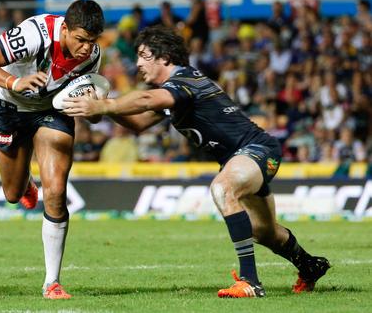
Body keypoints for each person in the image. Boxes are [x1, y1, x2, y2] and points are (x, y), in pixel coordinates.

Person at [63, 25, 330, 298]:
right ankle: (310, 265)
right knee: (265, 232)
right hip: (242, 159)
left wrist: (106, 106)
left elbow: (144, 99)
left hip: (257, 149)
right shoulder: (174, 92)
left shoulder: (185, 80)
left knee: (223, 189)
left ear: (164, 57)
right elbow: (139, 122)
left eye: (144, 55)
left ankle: (250, 281)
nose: (139, 63)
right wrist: (103, 107)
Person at [0, 0, 105, 299]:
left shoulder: (92, 56)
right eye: (80, 39)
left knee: (55, 192)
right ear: (64, 28)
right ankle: (24, 180)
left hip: (53, 112)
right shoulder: (35, 33)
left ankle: (52, 282)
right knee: (13, 194)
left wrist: (94, 109)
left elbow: (95, 114)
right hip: (10, 105)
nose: (85, 48)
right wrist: (14, 81)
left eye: (92, 42)